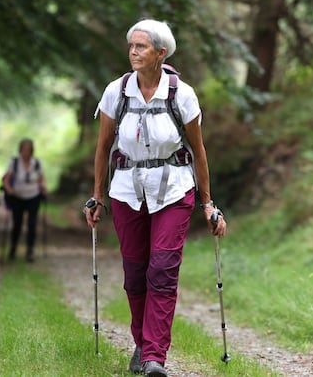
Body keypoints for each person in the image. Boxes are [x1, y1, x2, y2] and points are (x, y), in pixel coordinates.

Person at [84, 19, 227, 377]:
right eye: (131, 45)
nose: (133, 52)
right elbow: (103, 148)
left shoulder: (182, 94)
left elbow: (198, 151)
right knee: (135, 273)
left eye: (141, 47)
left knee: (161, 270)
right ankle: (142, 341)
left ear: (161, 53)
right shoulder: (116, 92)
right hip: (127, 191)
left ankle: (154, 357)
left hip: (174, 189)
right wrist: (97, 197)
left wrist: (207, 202)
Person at [1, 138, 47, 262]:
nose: (26, 152)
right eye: (24, 150)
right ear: (20, 150)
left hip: (33, 195)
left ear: (32, 151)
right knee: (17, 223)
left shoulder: (36, 163)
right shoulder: (14, 162)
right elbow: (6, 178)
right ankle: (13, 248)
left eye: (28, 150)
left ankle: (30, 251)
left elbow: (41, 178)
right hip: (17, 196)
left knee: (32, 224)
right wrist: (8, 188)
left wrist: (43, 187)